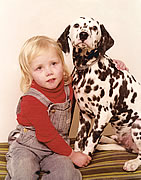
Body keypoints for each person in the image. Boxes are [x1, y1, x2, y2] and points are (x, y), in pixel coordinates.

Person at [5, 35, 128, 180]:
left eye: (54, 63)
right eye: (39, 68)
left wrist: (114, 67)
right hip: (28, 147)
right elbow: (47, 135)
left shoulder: (69, 87)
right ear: (29, 73)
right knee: (23, 172)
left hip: (56, 149)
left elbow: (93, 84)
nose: (49, 72)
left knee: (66, 174)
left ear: (62, 64)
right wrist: (72, 154)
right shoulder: (31, 100)